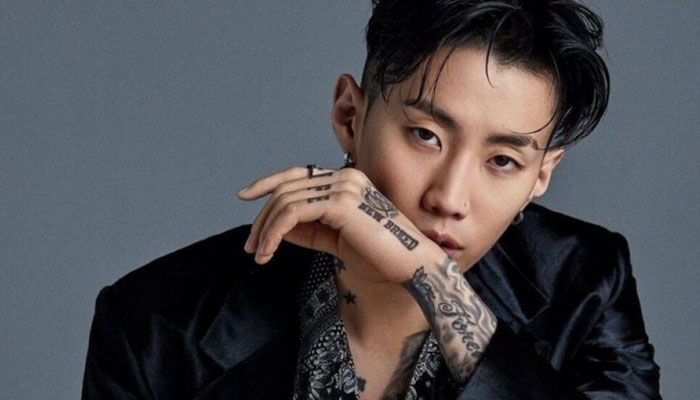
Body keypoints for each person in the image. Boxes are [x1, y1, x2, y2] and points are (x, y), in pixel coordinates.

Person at [81, 0, 662, 399]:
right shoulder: (155, 323)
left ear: (541, 175)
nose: (449, 198)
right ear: (350, 117)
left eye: (503, 161)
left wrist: (434, 282)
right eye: (425, 136)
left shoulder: (585, 283)